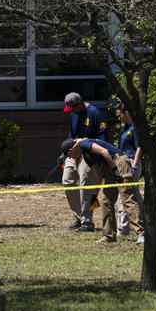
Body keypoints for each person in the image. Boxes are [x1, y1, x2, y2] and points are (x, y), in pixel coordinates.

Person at [60, 137, 145, 244]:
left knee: (127, 199)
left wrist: (115, 170)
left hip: (119, 162)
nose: (70, 158)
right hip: (110, 167)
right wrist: (94, 196)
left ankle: (142, 234)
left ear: (71, 151)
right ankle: (109, 236)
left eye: (68, 156)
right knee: (106, 201)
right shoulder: (86, 157)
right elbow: (98, 177)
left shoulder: (85, 144)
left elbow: (104, 152)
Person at [62, 92, 107, 232]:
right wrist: (65, 152)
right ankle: (79, 217)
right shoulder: (73, 113)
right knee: (67, 181)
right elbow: (71, 134)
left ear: (80, 103)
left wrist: (97, 157)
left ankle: (87, 223)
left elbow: (103, 138)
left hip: (89, 153)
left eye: (73, 108)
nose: (72, 111)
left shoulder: (95, 113)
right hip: (73, 151)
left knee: (86, 186)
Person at [115, 104, 144, 238]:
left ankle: (123, 229)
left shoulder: (136, 128)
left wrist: (134, 165)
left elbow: (139, 148)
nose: (119, 118)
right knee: (135, 195)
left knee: (125, 195)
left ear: (127, 113)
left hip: (131, 162)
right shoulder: (125, 128)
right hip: (123, 162)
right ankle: (145, 221)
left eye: (120, 115)